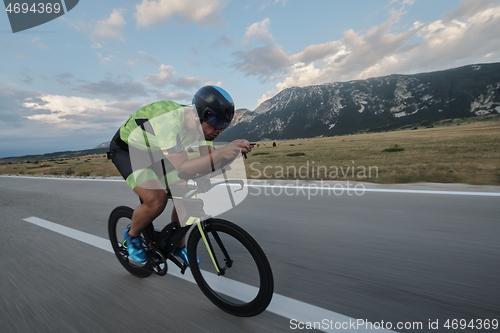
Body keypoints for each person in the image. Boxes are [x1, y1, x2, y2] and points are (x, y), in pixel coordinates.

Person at [108, 85, 253, 264]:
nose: (220, 129)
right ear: (197, 115)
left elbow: (207, 160)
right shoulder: (170, 123)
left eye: (224, 123)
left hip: (156, 151)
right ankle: (132, 235)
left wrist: (230, 155)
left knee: (185, 195)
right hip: (129, 151)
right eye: (216, 121)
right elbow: (184, 167)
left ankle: (178, 245)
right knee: (156, 200)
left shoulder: (203, 125)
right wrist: (223, 152)